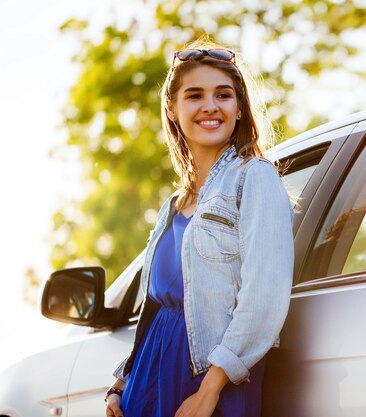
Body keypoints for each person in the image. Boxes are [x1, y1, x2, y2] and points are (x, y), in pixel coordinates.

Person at [104, 38, 294, 417]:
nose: (210, 106)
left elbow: (263, 300)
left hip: (208, 385)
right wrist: (121, 383)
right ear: (173, 110)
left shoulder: (254, 179)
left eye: (223, 95)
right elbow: (155, 310)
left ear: (239, 109)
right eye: (194, 95)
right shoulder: (171, 207)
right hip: (145, 386)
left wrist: (209, 391)